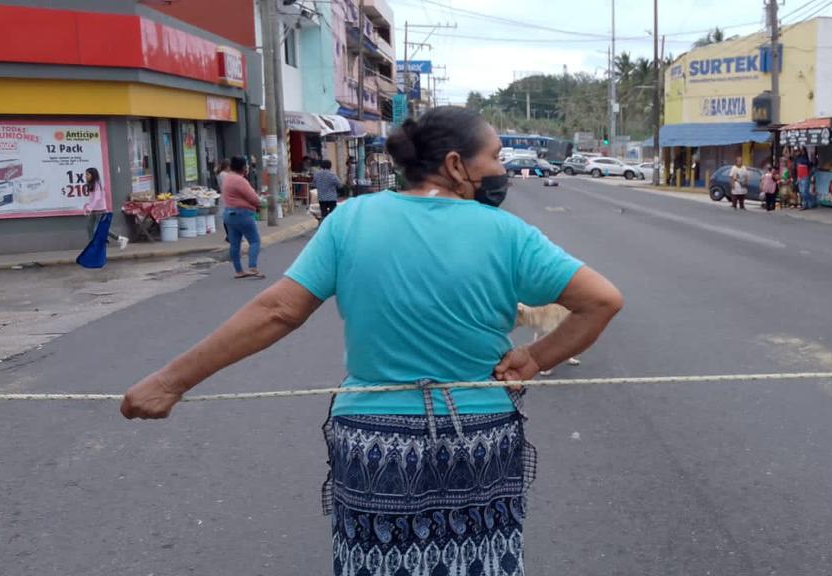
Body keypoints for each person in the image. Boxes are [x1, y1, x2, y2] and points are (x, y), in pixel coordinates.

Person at [120, 106, 624, 576]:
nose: (500, 169)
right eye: (493, 157)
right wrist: (533, 358)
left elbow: (276, 312)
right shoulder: (509, 234)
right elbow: (602, 300)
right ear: (455, 164)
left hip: (376, 444)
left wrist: (171, 382)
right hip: (479, 435)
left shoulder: (350, 220)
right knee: (480, 560)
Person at [222, 156, 265, 278]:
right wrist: (259, 204)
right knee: (254, 240)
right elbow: (253, 197)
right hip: (242, 213)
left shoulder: (227, 178)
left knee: (235, 244)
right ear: (243, 167)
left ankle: (238, 270)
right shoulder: (239, 180)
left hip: (229, 214)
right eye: (246, 166)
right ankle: (252, 267)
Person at [82, 167, 128, 250]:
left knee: (98, 229)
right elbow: (92, 198)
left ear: (93, 175)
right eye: (86, 174)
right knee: (90, 228)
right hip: (94, 211)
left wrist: (90, 207)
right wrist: (87, 206)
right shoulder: (91, 185)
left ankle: (119, 239)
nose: (86, 176)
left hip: (100, 211)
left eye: (87, 174)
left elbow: (97, 198)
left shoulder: (97, 184)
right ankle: (93, 246)